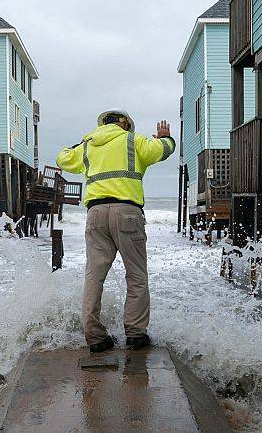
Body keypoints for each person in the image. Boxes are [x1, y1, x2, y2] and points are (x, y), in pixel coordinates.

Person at [56, 109, 176, 353]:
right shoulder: (134, 141)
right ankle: (135, 334)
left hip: (95, 215)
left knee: (94, 276)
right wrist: (166, 138)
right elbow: (162, 150)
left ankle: (95, 337)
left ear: (102, 125)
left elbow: (63, 159)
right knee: (136, 275)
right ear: (125, 125)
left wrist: (81, 143)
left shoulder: (89, 146)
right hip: (127, 213)